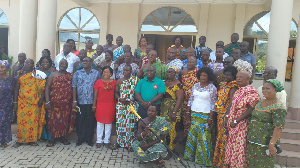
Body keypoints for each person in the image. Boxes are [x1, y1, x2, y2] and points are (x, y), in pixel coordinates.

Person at [225, 70, 260, 167]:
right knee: (233, 147)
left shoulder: (252, 92)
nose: (238, 79)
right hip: (233, 124)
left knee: (239, 148)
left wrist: (236, 121)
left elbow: (250, 109)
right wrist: (228, 117)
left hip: (242, 124)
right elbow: (232, 106)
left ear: (248, 79)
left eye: (241, 77)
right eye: (237, 77)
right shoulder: (238, 90)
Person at [247, 79, 286, 167]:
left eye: (267, 88)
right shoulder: (260, 102)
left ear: (275, 90)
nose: (264, 91)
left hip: (265, 143)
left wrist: (272, 144)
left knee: (264, 164)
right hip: (253, 140)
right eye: (263, 88)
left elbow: (278, 127)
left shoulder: (278, 107)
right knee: (252, 164)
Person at [183, 67, 217, 166]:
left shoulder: (212, 88)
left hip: (205, 114)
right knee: (192, 134)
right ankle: (189, 156)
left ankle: (202, 159)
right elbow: (191, 99)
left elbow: (213, 104)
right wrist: (188, 111)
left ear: (209, 77)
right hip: (194, 112)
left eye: (205, 76)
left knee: (204, 137)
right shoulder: (195, 86)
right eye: (201, 75)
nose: (202, 77)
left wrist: (210, 118)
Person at [13, 59, 46, 147]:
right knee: (21, 121)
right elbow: (16, 88)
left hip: (34, 102)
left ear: (33, 64)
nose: (28, 64)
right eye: (26, 63)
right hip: (22, 101)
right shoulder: (20, 75)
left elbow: (42, 87)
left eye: (30, 63)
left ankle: (32, 140)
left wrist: (41, 99)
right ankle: (20, 140)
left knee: (33, 122)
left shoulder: (37, 74)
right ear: (24, 63)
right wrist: (15, 102)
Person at [212, 66, 238, 167]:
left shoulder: (233, 86)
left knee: (224, 138)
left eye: (229, 75)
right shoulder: (226, 85)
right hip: (220, 114)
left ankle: (224, 163)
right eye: (225, 74)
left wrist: (227, 116)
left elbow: (232, 102)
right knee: (221, 137)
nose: (226, 76)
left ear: (234, 76)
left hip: (225, 115)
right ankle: (219, 161)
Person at [45, 59, 75, 147]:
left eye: (64, 64)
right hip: (54, 103)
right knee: (53, 121)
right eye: (61, 63)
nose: (62, 65)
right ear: (58, 64)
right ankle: (52, 139)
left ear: (67, 65)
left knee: (64, 121)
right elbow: (47, 88)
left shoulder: (69, 76)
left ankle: (63, 137)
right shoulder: (52, 75)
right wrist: (47, 101)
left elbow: (73, 88)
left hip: (66, 104)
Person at [72, 57, 100, 147]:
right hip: (80, 101)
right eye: (83, 61)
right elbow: (74, 87)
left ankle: (89, 140)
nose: (85, 62)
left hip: (92, 102)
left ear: (91, 63)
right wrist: (74, 100)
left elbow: (99, 87)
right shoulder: (77, 73)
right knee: (80, 121)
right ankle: (80, 139)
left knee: (90, 121)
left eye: (87, 61)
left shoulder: (97, 74)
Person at [113, 65, 139, 150]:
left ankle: (130, 143)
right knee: (120, 125)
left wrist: (132, 100)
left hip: (131, 106)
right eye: (124, 70)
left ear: (131, 70)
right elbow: (116, 93)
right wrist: (121, 99)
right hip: (121, 106)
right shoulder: (119, 81)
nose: (126, 72)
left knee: (131, 125)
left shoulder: (135, 80)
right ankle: (119, 142)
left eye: (127, 70)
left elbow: (138, 93)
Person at [160, 66, 183, 156]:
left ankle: (171, 150)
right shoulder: (164, 83)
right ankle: (163, 148)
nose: (169, 74)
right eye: (168, 72)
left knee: (172, 129)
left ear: (175, 74)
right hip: (164, 109)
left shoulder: (178, 84)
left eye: (172, 72)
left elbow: (180, 99)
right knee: (164, 129)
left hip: (174, 109)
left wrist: (174, 112)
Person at [93, 66, 116, 148]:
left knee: (109, 123)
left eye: (108, 72)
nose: (106, 73)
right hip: (100, 104)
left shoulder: (114, 82)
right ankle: (99, 140)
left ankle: (106, 140)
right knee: (100, 123)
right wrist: (94, 105)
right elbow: (95, 95)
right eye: (104, 72)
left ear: (111, 73)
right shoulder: (98, 82)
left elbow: (116, 94)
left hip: (111, 105)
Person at [179, 56, 198, 136]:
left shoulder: (198, 73)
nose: (189, 63)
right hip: (185, 100)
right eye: (188, 62)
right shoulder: (182, 72)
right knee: (186, 119)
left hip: (196, 100)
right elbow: (180, 84)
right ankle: (187, 136)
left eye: (192, 62)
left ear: (196, 63)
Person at [38, 56, 55, 142]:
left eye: (47, 62)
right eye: (43, 62)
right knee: (41, 117)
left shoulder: (53, 72)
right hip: (39, 97)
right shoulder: (37, 73)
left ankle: (49, 135)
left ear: (50, 63)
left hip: (50, 97)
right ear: (40, 63)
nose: (45, 64)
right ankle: (42, 135)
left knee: (49, 117)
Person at [0, 60, 14, 148]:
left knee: (5, 122)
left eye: (2, 67)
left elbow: (14, 91)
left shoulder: (11, 79)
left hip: (7, 104)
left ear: (6, 68)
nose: (0, 69)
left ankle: (4, 141)